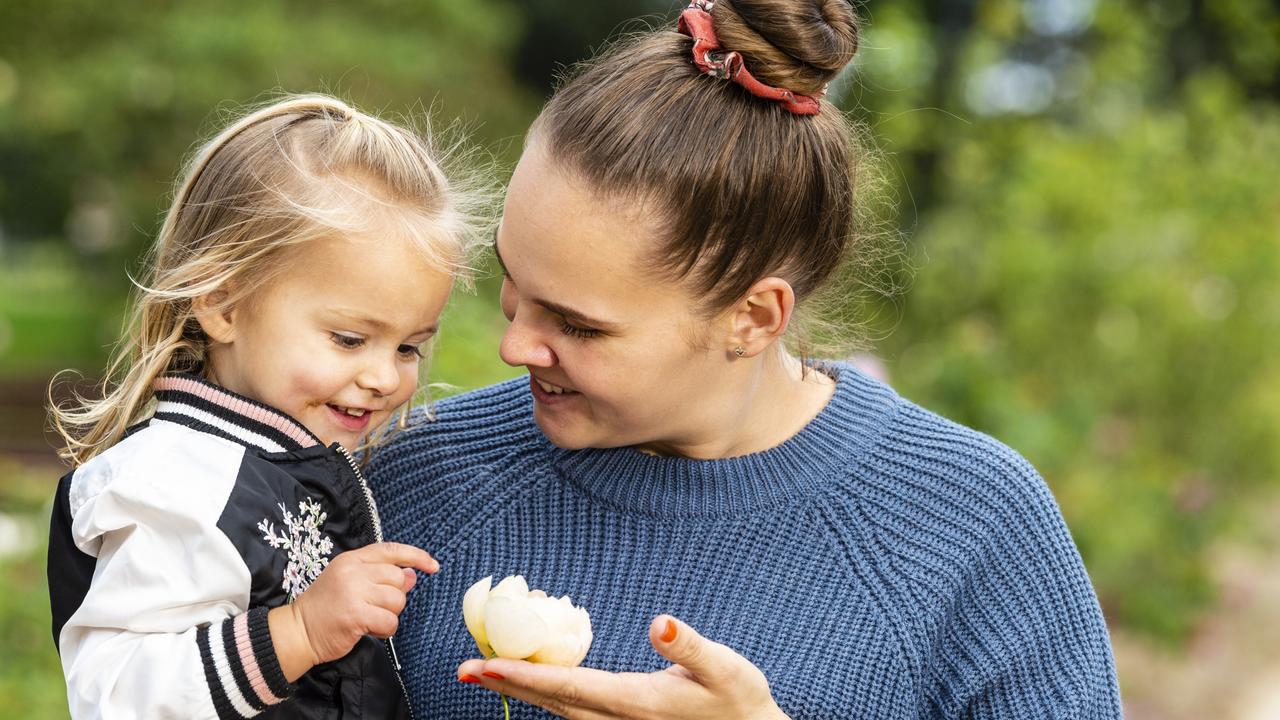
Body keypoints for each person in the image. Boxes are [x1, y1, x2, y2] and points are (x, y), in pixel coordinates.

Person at [370, 0, 1123, 717]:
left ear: (753, 318)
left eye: (579, 325)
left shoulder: (970, 526)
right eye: (513, 282)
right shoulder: (422, 477)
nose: (513, 346)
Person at [45, 94, 485, 719]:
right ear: (224, 305)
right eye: (350, 340)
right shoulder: (173, 483)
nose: (386, 376)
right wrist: (300, 632)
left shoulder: (294, 460)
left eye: (410, 346)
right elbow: (118, 694)